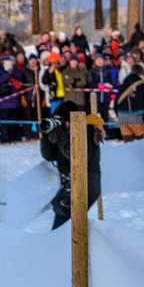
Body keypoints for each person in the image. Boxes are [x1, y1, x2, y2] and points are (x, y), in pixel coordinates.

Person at [41, 98, 103, 229]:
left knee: (62, 221)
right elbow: (49, 155)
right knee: (67, 225)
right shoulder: (65, 132)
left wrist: (59, 137)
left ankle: (59, 245)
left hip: (85, 184)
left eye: (60, 119)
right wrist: (47, 136)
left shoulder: (86, 131)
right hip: (71, 185)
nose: (58, 123)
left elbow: (77, 157)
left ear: (69, 120)